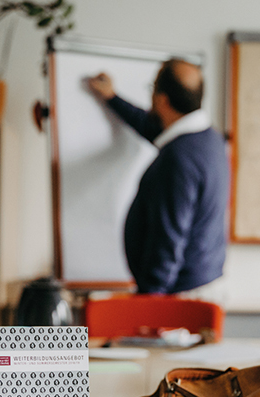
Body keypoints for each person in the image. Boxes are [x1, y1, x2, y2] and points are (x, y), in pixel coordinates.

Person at [86, 59, 229, 298]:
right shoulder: (208, 140)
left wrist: (149, 300)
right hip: (200, 286)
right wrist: (112, 98)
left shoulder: (179, 158)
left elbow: (169, 238)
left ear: (162, 100)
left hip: (178, 297)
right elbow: (152, 127)